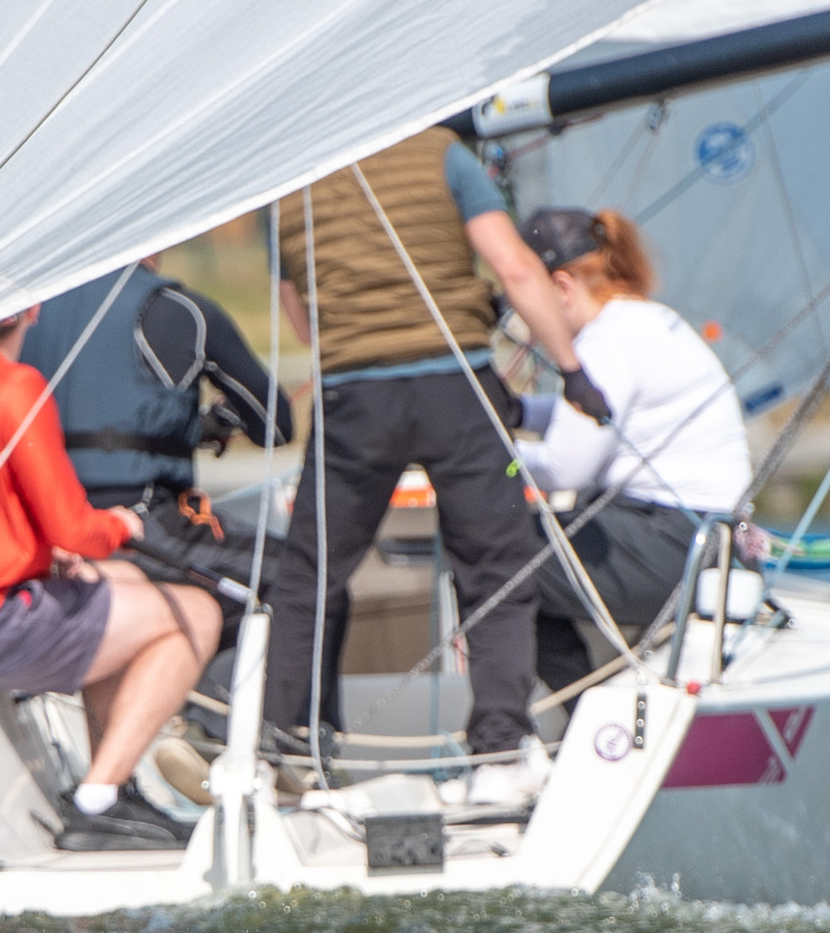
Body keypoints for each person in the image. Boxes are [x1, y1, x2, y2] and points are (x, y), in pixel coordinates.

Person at [261, 127, 613, 807]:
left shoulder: (296, 180)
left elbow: (302, 323)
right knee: (497, 567)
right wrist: (570, 370)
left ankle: (289, 747)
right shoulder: (443, 155)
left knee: (312, 572)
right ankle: (499, 753)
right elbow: (513, 267)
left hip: (352, 395)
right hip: (452, 382)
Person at [0, 305, 220, 853]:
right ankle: (97, 804)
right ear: (31, 311)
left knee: (125, 584)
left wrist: (44, 553)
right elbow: (77, 529)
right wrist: (123, 522)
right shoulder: (15, 387)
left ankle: (115, 786)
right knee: (198, 614)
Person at [24, 257, 294, 802]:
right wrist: (210, 425)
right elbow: (275, 425)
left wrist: (182, 428)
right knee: (301, 577)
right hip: (141, 526)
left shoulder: (26, 313)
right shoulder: (177, 309)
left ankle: (173, 735)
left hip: (52, 530)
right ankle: (230, 734)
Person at [512, 205, 752, 696]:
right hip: (714, 545)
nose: (522, 315)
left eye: (524, 296)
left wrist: (498, 454)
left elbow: (563, 468)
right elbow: (600, 417)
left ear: (560, 287)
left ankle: (572, 715)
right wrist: (518, 413)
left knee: (487, 556)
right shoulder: (646, 320)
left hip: (670, 547)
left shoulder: (604, 345)